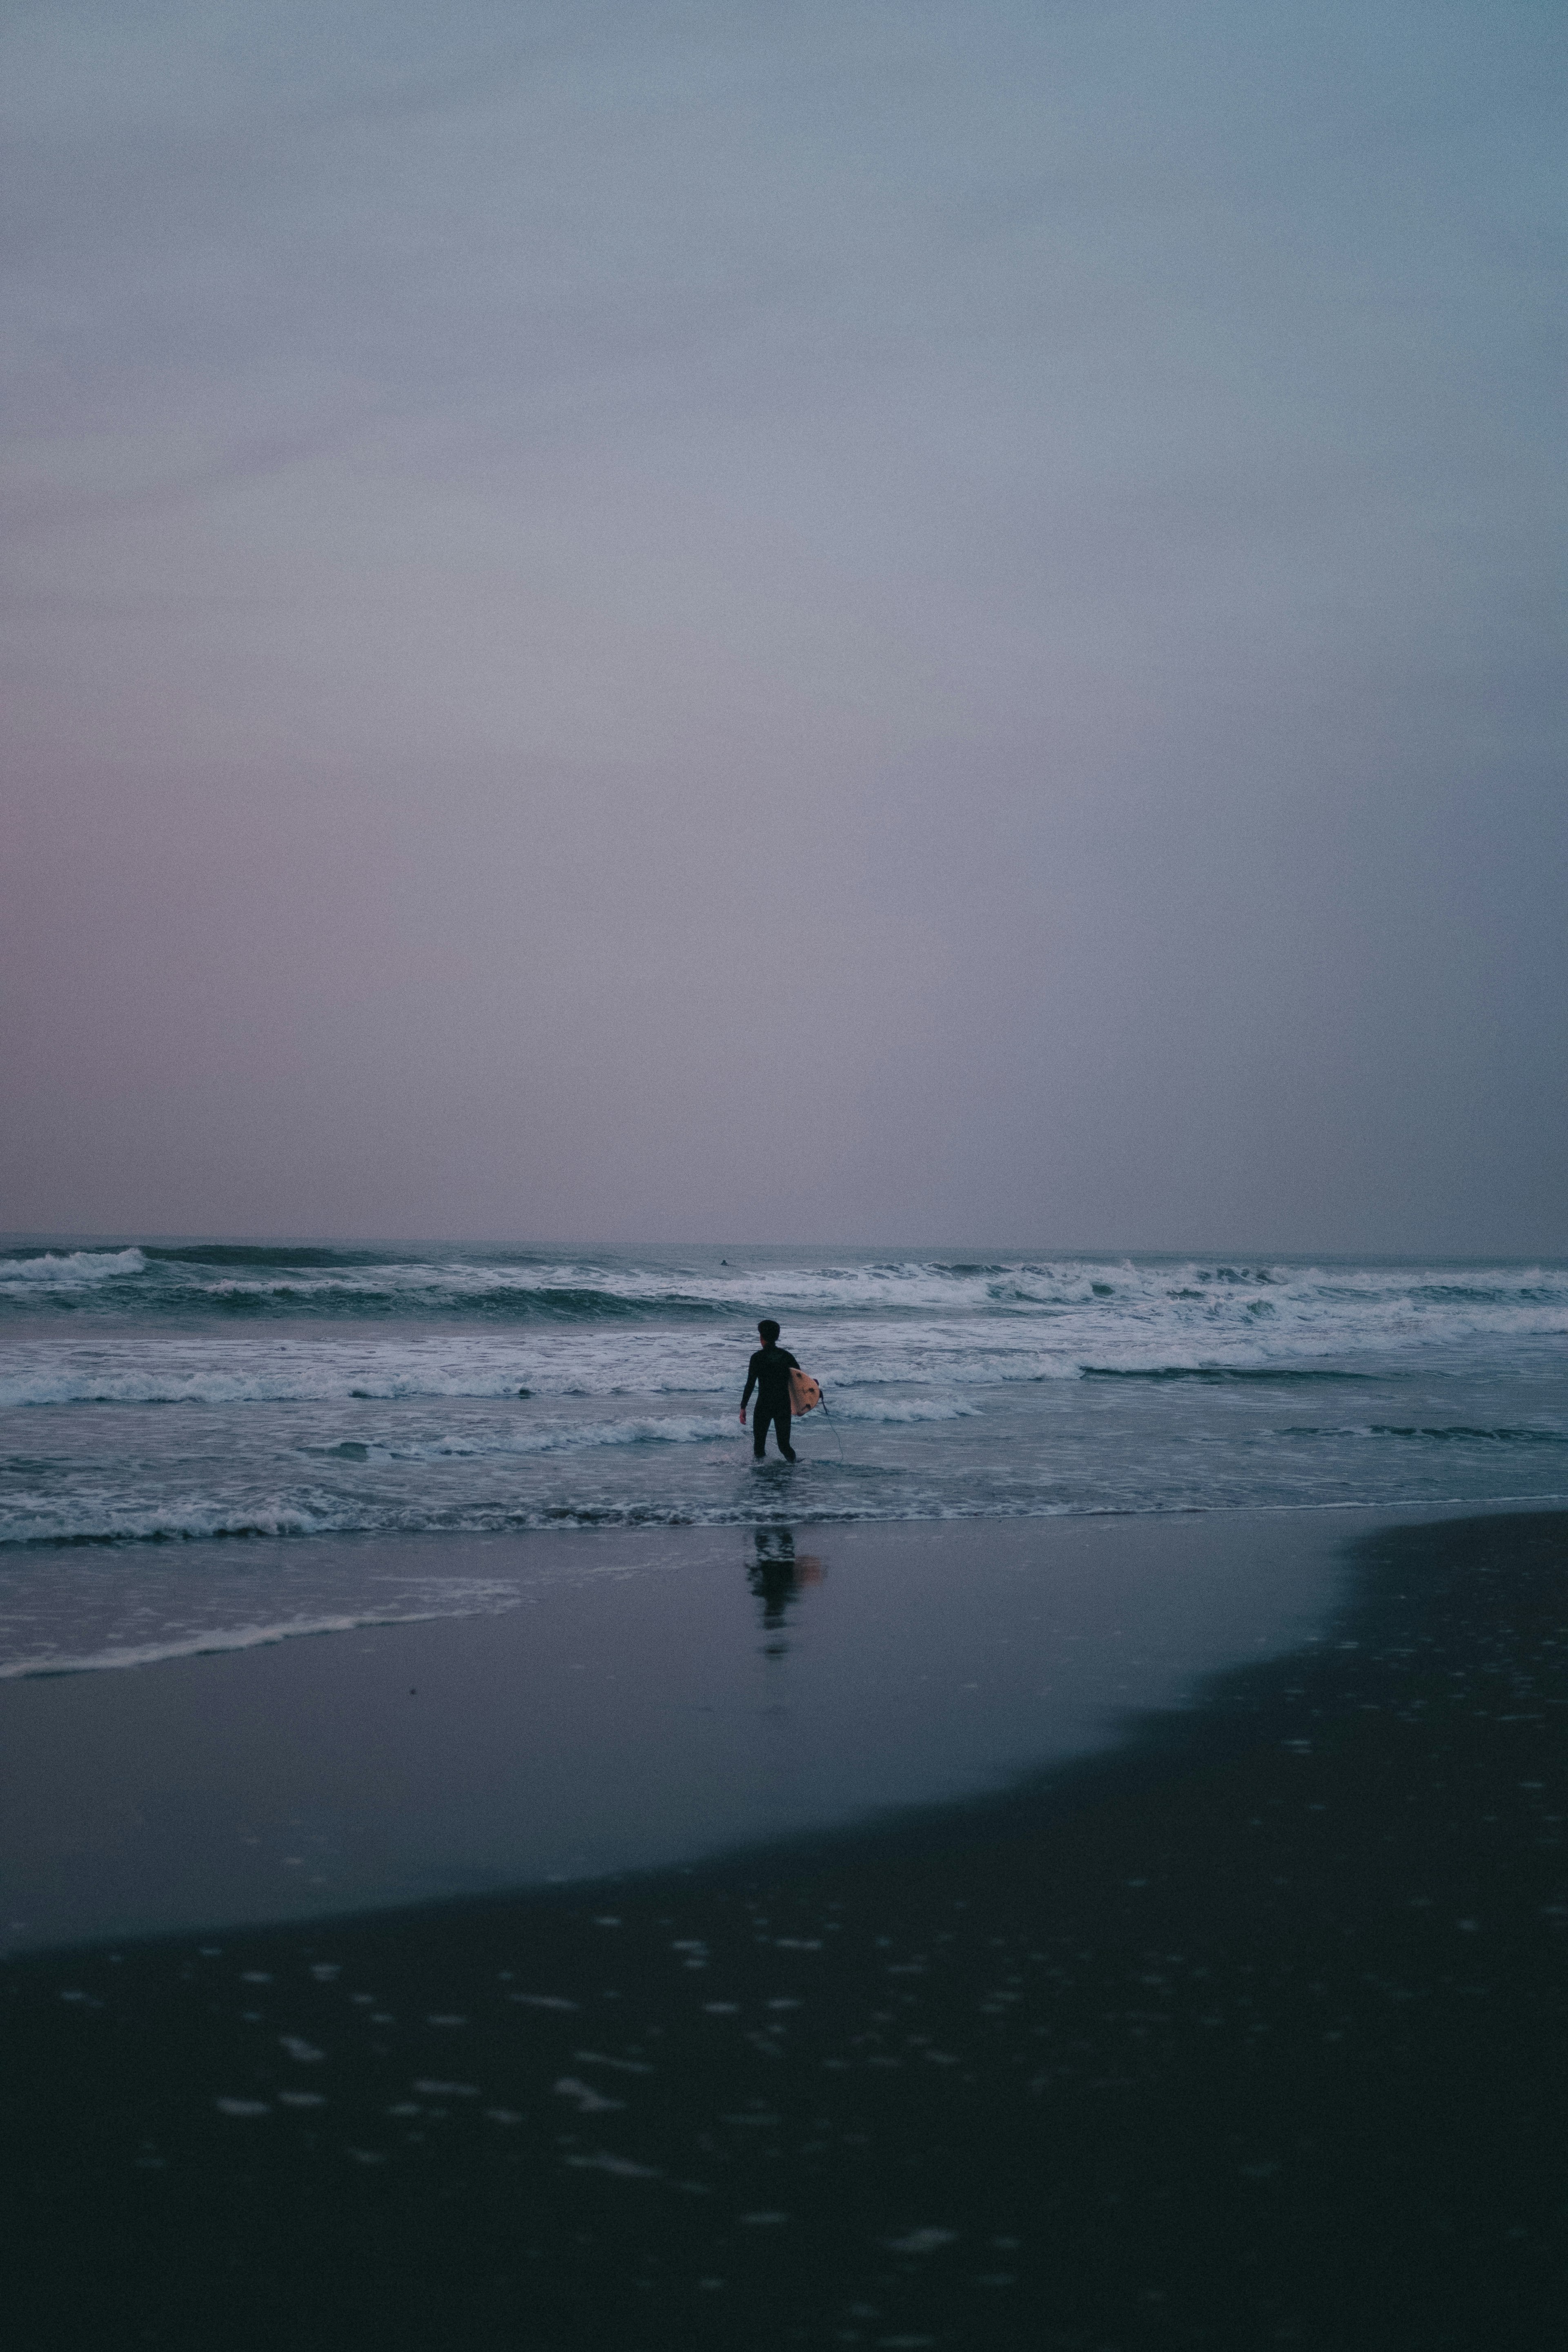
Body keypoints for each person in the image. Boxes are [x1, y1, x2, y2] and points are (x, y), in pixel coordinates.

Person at [740, 1319, 800, 1461]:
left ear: (761, 1337)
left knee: (759, 1447)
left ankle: (762, 1480)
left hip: (764, 1406)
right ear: (777, 1337)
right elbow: (800, 1380)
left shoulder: (757, 1358)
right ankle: (794, 1470)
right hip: (783, 1406)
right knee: (785, 1446)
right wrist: (803, 1403)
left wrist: (743, 1407)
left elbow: (750, 1384)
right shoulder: (787, 1356)